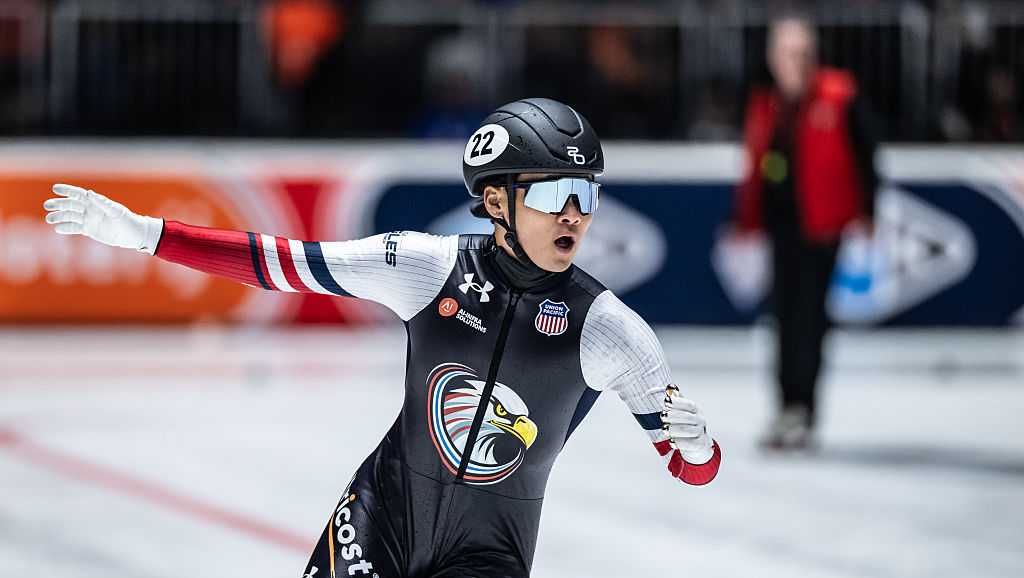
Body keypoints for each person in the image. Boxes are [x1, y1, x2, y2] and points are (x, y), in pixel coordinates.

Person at [43, 98, 722, 578]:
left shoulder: (608, 329)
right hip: (381, 518)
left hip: (488, 559)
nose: (574, 213)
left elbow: (693, 465)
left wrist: (699, 448)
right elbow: (279, 261)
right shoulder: (427, 268)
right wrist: (147, 235)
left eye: (586, 193)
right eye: (551, 196)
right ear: (495, 203)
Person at [733, 16, 878, 451]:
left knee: (810, 319)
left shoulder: (839, 95)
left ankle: (803, 409)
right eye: (786, 54)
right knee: (782, 317)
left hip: (823, 227)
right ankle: (785, 406)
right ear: (773, 59)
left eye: (801, 53)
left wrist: (868, 213)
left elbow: (867, 155)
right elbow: (757, 166)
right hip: (781, 228)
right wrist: (743, 219)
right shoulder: (767, 104)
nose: (794, 62)